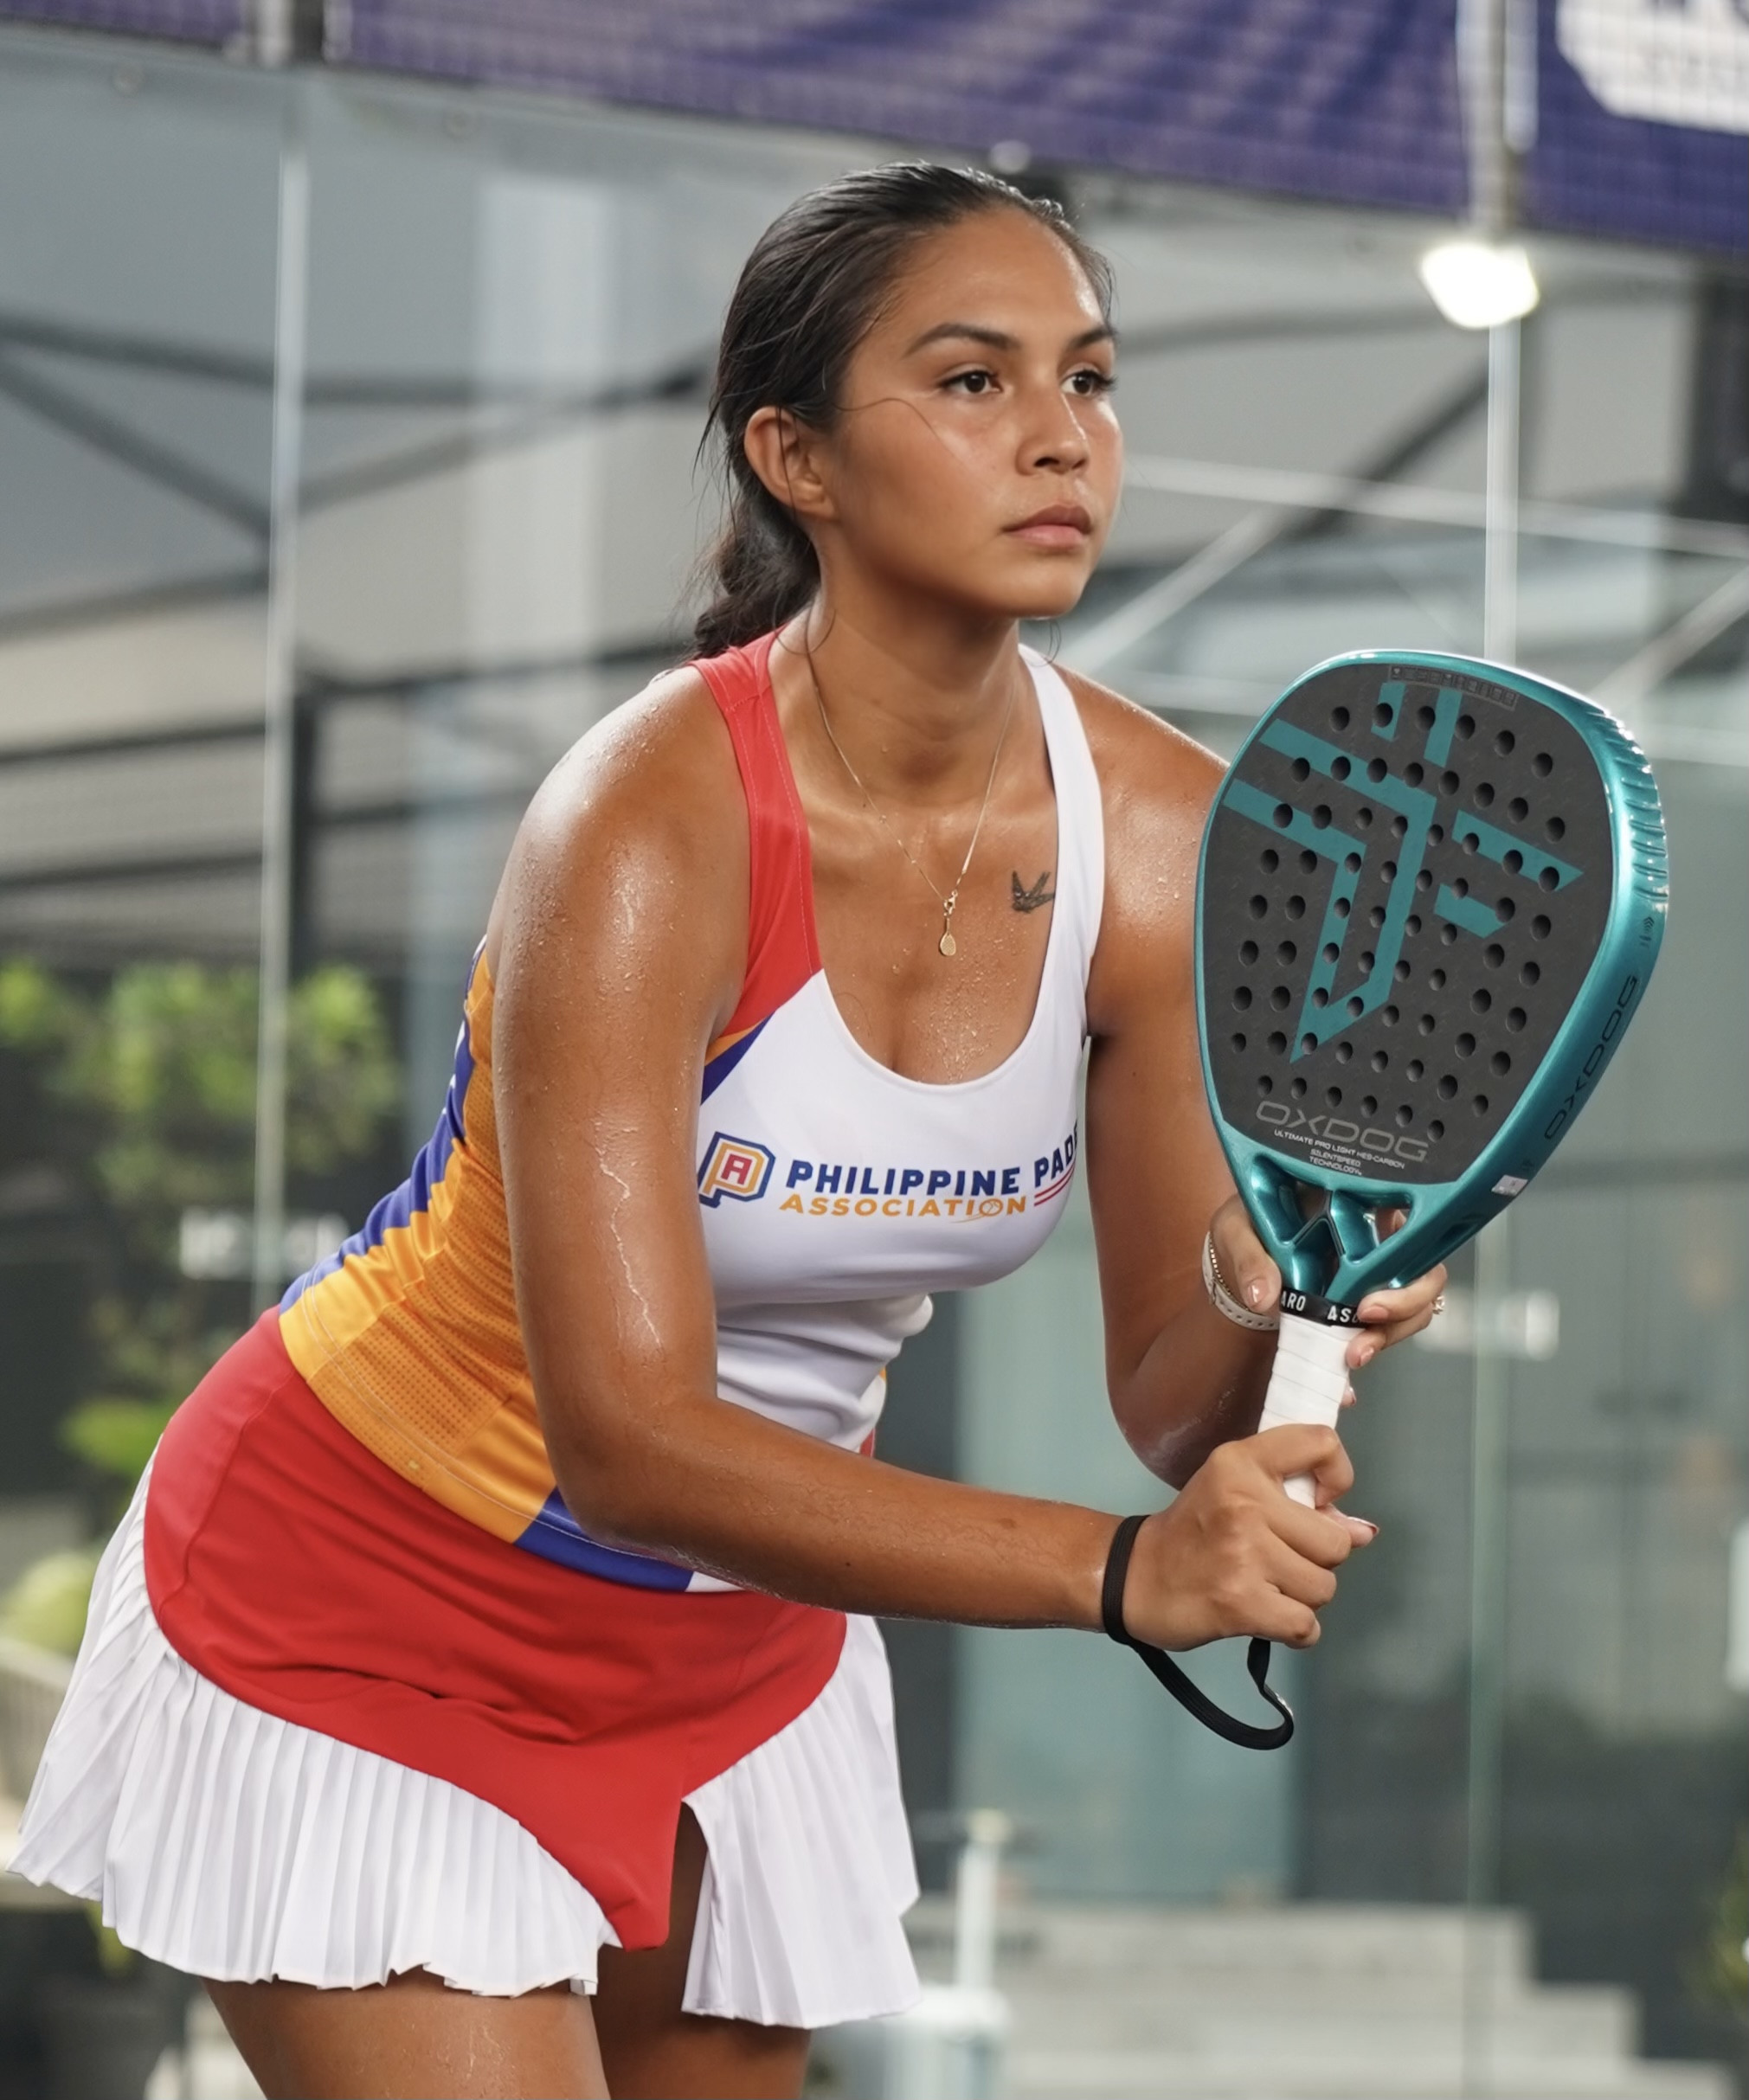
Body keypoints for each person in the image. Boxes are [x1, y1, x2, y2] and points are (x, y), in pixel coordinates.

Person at [13, 163, 1444, 2100]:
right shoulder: (647, 821)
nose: (1060, 437)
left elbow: (1176, 1407)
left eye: (1091, 380)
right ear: (797, 458)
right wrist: (1122, 1573)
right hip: (372, 1599)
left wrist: (1298, 1298)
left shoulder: (1172, 842)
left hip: (742, 1652)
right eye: (973, 379)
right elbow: (632, 1442)